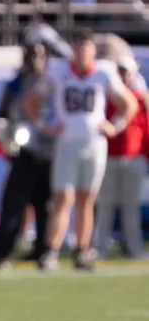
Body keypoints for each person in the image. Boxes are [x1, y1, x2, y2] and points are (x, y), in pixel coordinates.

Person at [24, 28, 137, 271]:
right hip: (67, 142)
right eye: (77, 46)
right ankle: (51, 251)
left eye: (85, 46)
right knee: (63, 198)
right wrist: (45, 125)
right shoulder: (59, 71)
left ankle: (82, 250)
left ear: (93, 50)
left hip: (94, 143)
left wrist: (115, 127)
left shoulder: (104, 72)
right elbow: (32, 101)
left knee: (87, 199)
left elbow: (129, 104)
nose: (81, 51)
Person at [0, 42, 52, 266]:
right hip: (24, 150)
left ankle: (43, 249)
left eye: (39, 55)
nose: (34, 59)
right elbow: (3, 114)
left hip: (49, 149)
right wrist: (7, 139)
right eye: (31, 55)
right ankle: (3, 249)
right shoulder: (17, 84)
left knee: (44, 204)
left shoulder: (53, 82)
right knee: (13, 202)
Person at [94, 58, 148, 259]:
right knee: (105, 207)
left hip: (134, 160)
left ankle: (135, 249)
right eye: (120, 72)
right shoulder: (105, 98)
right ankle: (99, 249)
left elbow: (145, 131)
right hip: (107, 159)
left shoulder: (140, 100)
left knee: (131, 207)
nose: (123, 76)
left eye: (126, 72)